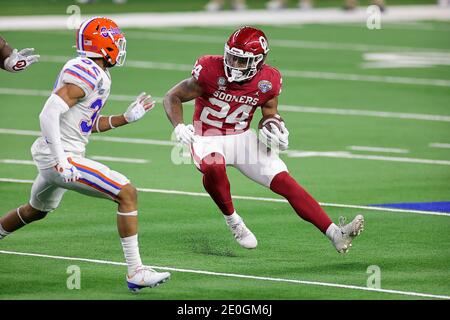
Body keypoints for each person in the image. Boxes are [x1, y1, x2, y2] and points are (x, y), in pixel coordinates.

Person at [0, 17, 170, 292]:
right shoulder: (86, 70)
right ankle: (136, 271)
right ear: (103, 45)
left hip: (58, 156)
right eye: (115, 40)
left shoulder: (96, 72)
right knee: (127, 193)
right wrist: (61, 159)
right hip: (60, 157)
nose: (119, 45)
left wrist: (125, 118)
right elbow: (48, 113)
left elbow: (86, 124)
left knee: (36, 210)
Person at [163, 26, 364, 253]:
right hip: (208, 135)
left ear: (258, 61)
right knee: (214, 166)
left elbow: (269, 113)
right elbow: (173, 96)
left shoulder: (268, 80)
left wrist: (275, 128)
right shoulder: (209, 69)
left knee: (285, 182)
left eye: (241, 61)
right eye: (231, 57)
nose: (233, 64)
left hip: (242, 137)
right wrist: (179, 125)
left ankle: (335, 234)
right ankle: (234, 221)